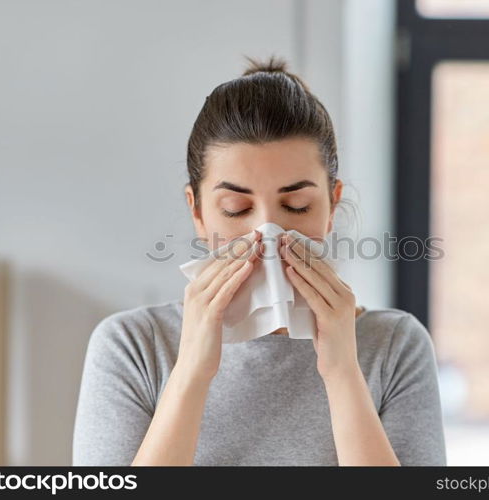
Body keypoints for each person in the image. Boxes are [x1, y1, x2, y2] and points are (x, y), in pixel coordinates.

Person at [72, 55, 446, 466]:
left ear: (332, 205)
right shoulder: (133, 347)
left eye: (297, 205)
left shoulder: (394, 346)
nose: (268, 234)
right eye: (235, 208)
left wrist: (343, 373)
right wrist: (192, 372)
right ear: (197, 211)